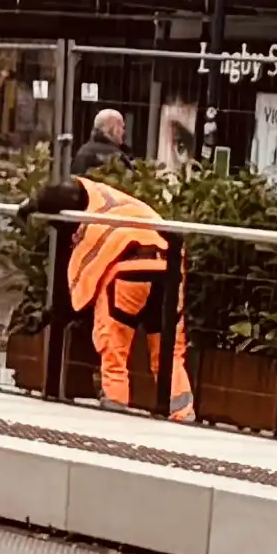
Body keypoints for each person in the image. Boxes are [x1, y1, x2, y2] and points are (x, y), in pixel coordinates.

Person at [61, 165, 183, 417]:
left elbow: (82, 286)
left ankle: (115, 407)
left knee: (114, 345)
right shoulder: (133, 208)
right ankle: (182, 413)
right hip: (168, 271)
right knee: (169, 352)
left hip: (128, 274)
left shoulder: (93, 213)